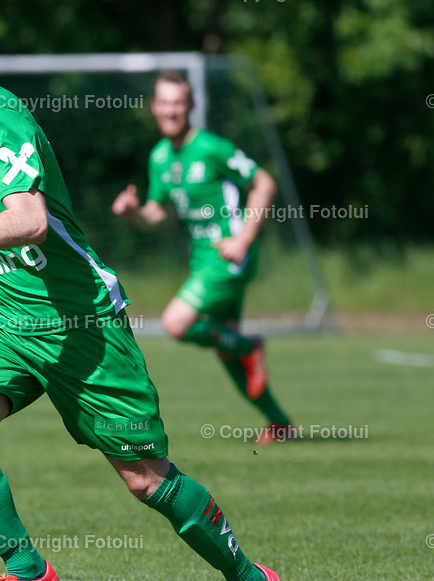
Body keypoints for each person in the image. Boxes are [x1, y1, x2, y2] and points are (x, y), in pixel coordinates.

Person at [0, 6, 294, 581]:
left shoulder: (3, 120)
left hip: (81, 322)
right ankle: (27, 571)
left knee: (144, 478)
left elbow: (30, 220)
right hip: (8, 319)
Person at [112, 72, 296, 445]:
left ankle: (250, 346)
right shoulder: (160, 157)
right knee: (224, 352)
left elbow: (264, 183)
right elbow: (157, 214)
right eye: (164, 102)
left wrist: (243, 238)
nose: (170, 110)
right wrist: (132, 211)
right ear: (154, 107)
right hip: (203, 262)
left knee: (176, 323)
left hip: (228, 258)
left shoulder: (211, 147)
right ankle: (280, 423)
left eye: (178, 102)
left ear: (191, 106)